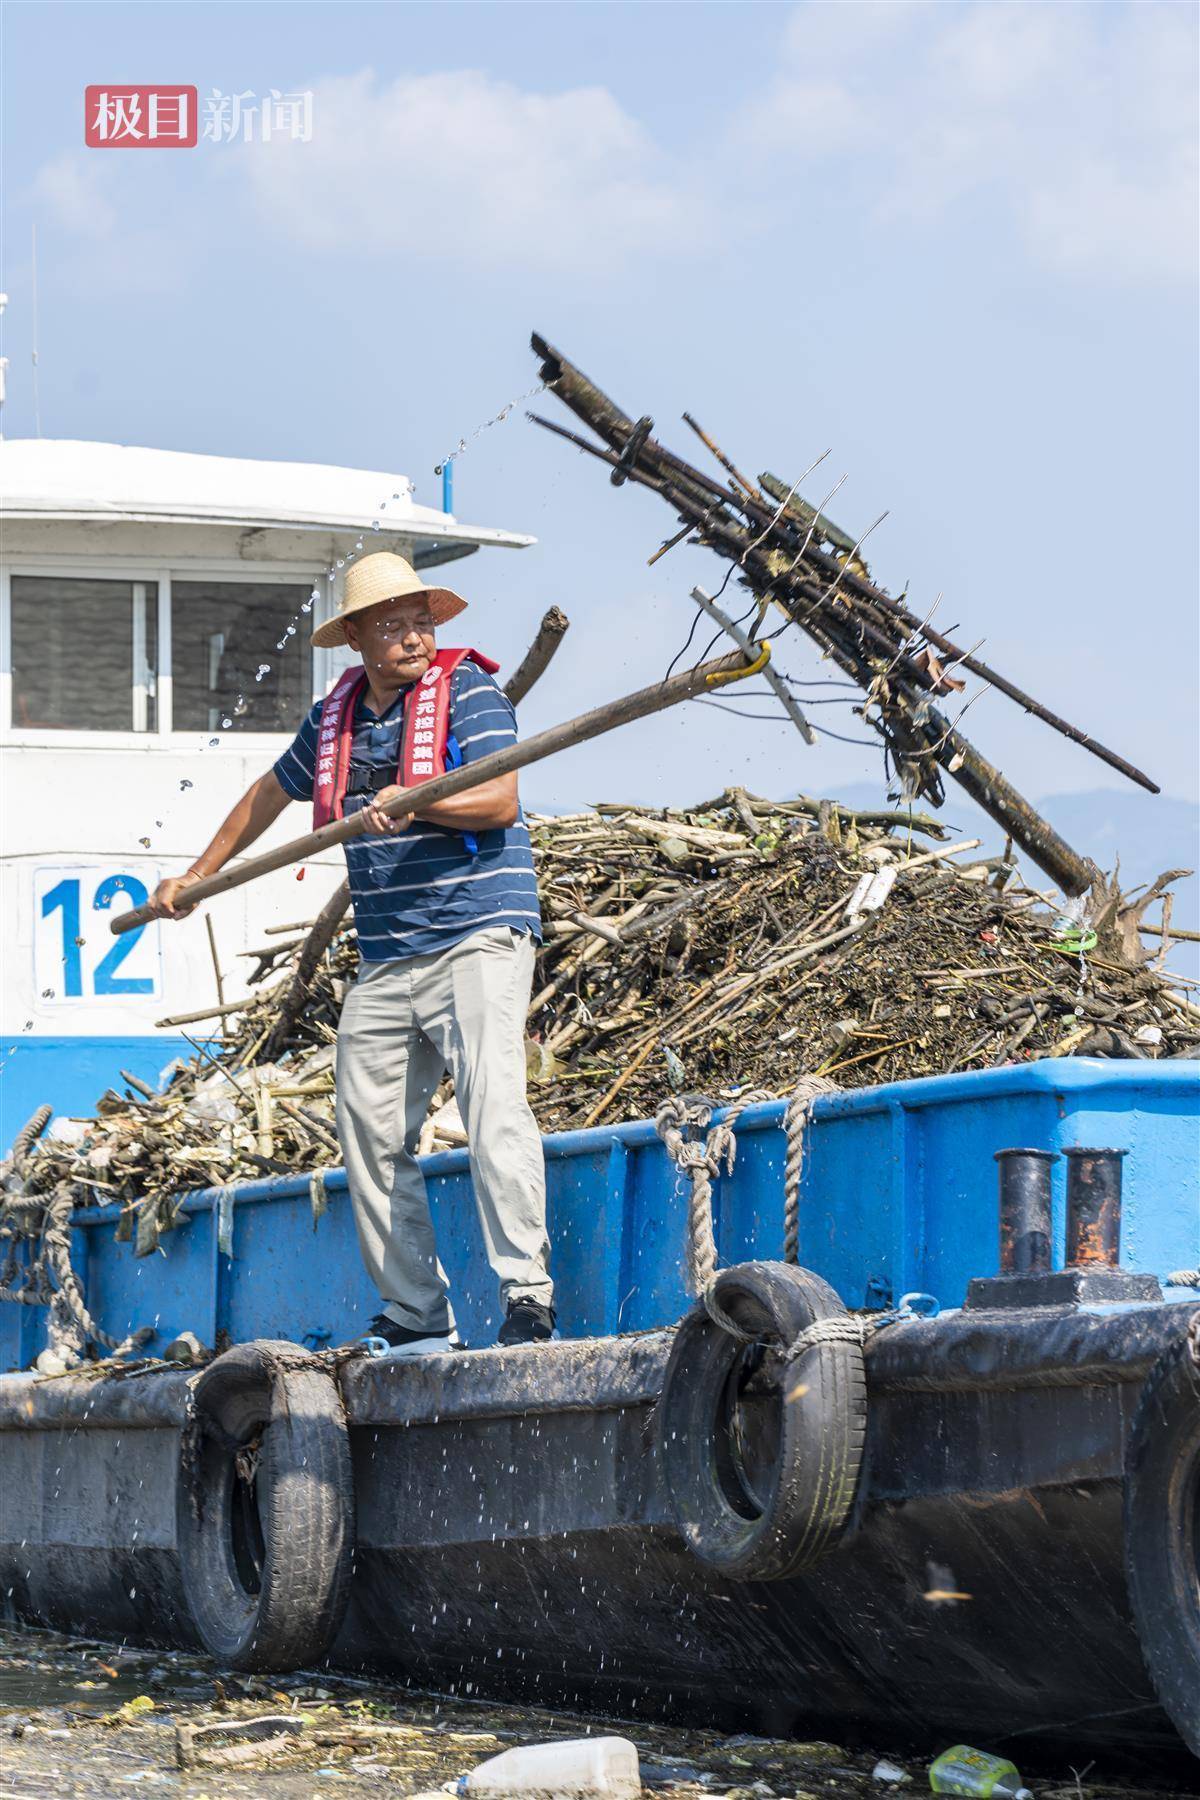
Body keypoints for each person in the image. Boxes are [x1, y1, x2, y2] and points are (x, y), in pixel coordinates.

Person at [151, 551, 554, 1357]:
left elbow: (500, 800)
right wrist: (198, 875)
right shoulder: (335, 716)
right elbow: (270, 792)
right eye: (393, 626)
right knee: (367, 1127)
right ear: (358, 638)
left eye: (421, 623)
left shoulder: (467, 692)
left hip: (476, 931)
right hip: (389, 952)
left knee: (492, 1108)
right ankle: (417, 1312)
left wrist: (420, 805)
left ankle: (528, 1299)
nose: (413, 638)